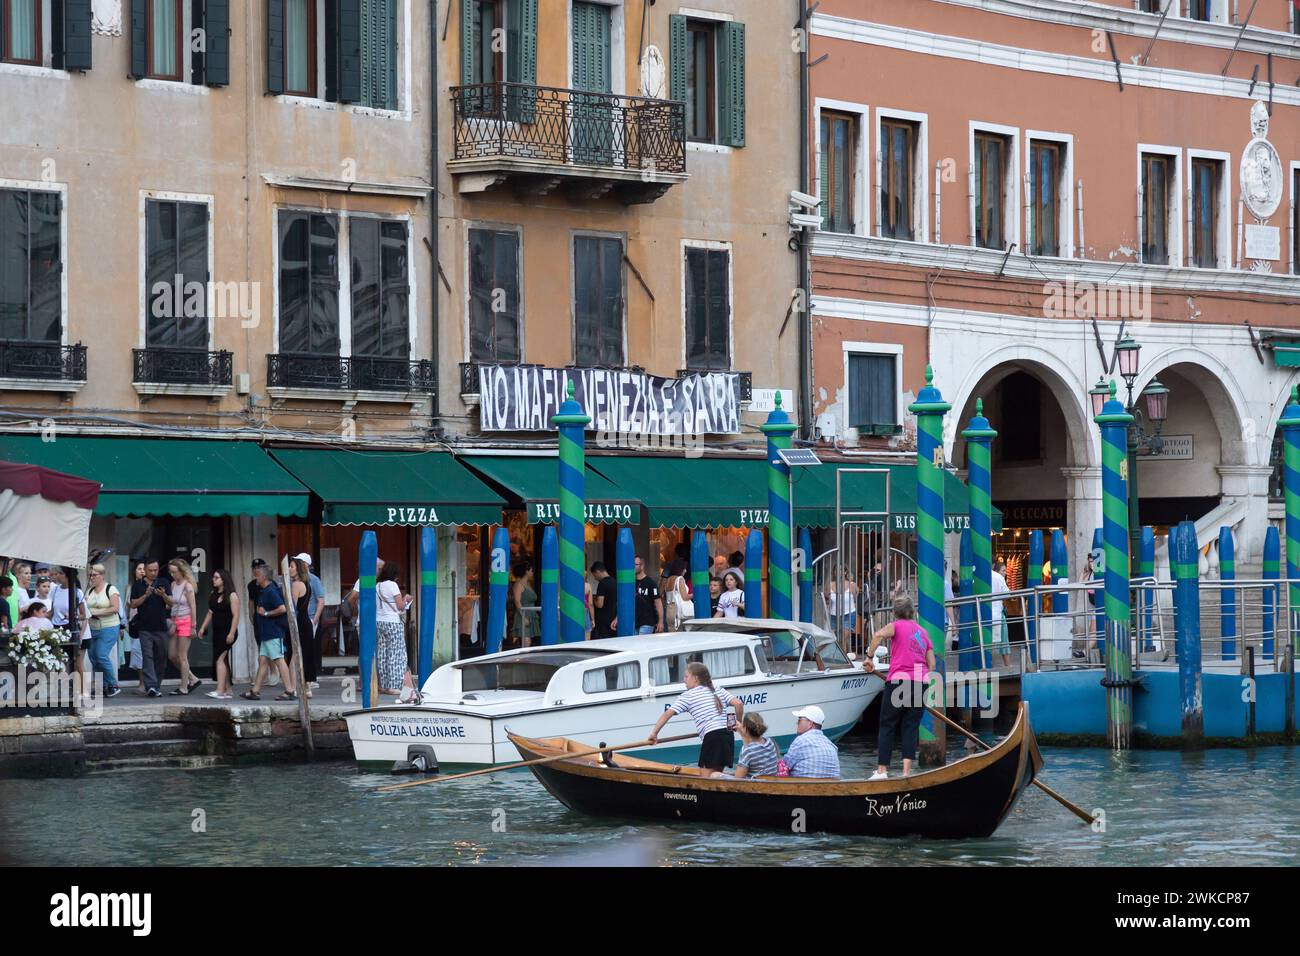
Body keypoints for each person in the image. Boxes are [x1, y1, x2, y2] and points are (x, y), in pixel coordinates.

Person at [864, 593, 936, 779]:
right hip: (920, 682)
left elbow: (878, 635)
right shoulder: (924, 632)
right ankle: (906, 772)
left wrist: (869, 658)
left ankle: (882, 771)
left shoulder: (895, 626)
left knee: (888, 724)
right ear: (912, 612)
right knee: (910, 726)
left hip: (898, 680)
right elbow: (932, 664)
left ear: (895, 613)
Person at [646, 661, 742, 773]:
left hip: (713, 736)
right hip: (727, 735)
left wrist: (654, 734)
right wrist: (736, 724)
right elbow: (738, 704)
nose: (684, 680)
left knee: (706, 777)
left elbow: (667, 714)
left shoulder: (688, 696)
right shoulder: (717, 689)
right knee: (716, 774)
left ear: (695, 678)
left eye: (686, 676)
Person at [241, 560, 296, 700]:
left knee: (278, 659)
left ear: (264, 577)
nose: (256, 578)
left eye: (258, 575)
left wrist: (265, 613)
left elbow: (282, 609)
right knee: (263, 661)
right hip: (266, 633)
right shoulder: (265, 591)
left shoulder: (271, 591)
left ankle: (289, 691)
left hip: (273, 632)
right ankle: (255, 691)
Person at [128, 560, 171, 697]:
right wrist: (146, 595)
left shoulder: (163, 582)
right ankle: (151, 685)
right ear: (145, 570)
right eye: (151, 570)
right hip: (144, 627)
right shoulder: (138, 584)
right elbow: (133, 604)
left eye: (156, 570)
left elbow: (171, 603)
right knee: (147, 656)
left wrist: (163, 595)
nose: (153, 573)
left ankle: (156, 686)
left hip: (161, 627)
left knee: (161, 656)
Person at [376, 561, 416, 700]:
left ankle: (384, 685)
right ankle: (393, 686)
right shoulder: (392, 585)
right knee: (396, 654)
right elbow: (400, 606)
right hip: (393, 622)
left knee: (382, 654)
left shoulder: (377, 585)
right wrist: (407, 599)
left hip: (379, 622)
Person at [48, 568, 90, 700]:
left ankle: (84, 690)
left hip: (75, 629)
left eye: (61, 574)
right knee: (60, 662)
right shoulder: (54, 590)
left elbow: (84, 615)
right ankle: (65, 691)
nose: (58, 576)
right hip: (58, 629)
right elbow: (51, 612)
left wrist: (72, 615)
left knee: (78, 663)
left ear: (67, 577)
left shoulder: (77, 592)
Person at [199, 569, 238, 699]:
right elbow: (210, 612)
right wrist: (203, 627)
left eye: (217, 578)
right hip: (217, 632)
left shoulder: (232, 595)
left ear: (224, 580)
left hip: (228, 632)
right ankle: (228, 689)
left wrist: (232, 633)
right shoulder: (213, 594)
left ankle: (220, 690)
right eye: (213, 577)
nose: (213, 580)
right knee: (224, 660)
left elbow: (236, 615)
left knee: (220, 659)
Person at [85, 564, 122, 698]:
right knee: (93, 657)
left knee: (101, 655)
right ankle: (102, 686)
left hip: (109, 627)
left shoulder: (111, 589)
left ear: (102, 576)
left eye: (95, 575)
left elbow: (115, 608)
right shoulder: (89, 591)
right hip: (93, 628)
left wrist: (96, 612)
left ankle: (113, 684)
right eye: (90, 575)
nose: (92, 578)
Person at [165, 558, 201, 694]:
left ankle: (184, 687)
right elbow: (171, 604)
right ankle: (193, 678)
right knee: (172, 655)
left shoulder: (188, 586)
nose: (172, 574)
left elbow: (193, 606)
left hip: (186, 621)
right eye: (171, 572)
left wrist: (193, 626)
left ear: (181, 571)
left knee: (182, 656)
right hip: (175, 621)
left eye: (174, 572)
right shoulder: (173, 584)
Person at [711, 711, 780, 779]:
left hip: (754, 785)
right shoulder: (770, 742)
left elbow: (738, 778)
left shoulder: (747, 750)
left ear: (745, 728)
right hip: (769, 780)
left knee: (714, 775)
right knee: (727, 773)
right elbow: (752, 747)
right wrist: (742, 732)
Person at [783, 704, 841, 778]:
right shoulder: (832, 746)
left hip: (802, 787)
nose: (797, 723)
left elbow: (784, 766)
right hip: (832, 788)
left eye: (800, 720)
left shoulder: (801, 740)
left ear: (810, 723)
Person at [295, 553, 325, 687]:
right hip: (298, 619)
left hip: (309, 618)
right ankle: (301, 678)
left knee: (308, 649)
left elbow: (321, 600)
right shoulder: (295, 580)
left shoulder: (314, 580)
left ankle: (310, 680)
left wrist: (315, 619)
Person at [289, 558, 318, 695]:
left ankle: (293, 687)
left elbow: (292, 607)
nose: (289, 569)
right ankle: (307, 687)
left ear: (298, 569)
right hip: (305, 620)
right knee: (306, 653)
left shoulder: (296, 584)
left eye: (291, 566)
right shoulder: (307, 583)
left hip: (299, 622)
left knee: (295, 654)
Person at [509, 560, 539, 648]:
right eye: (532, 571)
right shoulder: (519, 584)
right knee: (526, 641)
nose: (533, 573)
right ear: (527, 571)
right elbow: (517, 601)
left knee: (528, 641)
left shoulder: (528, 584)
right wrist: (523, 617)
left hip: (530, 614)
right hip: (523, 614)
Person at [633, 555, 662, 634]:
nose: (633, 567)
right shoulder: (631, 583)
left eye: (635, 565)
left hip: (647, 621)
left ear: (642, 566)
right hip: (633, 621)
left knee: (643, 645)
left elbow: (658, 602)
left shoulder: (650, 583)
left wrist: (660, 621)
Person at [990, 559, 1011, 666]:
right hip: (996, 614)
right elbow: (1007, 594)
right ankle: (991, 666)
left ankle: (988, 666)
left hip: (981, 616)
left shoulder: (975, 574)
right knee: (994, 643)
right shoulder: (998, 577)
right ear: (993, 565)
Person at [662, 560, 692, 630]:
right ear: (680, 569)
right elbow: (685, 597)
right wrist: (695, 594)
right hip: (679, 611)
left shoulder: (668, 579)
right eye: (684, 568)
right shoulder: (680, 579)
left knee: (672, 634)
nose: (686, 571)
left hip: (669, 610)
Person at [590, 562, 616, 638]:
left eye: (594, 575)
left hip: (602, 622)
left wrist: (592, 599)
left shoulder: (602, 583)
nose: (595, 578)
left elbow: (599, 604)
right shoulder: (614, 582)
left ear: (597, 572)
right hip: (613, 620)